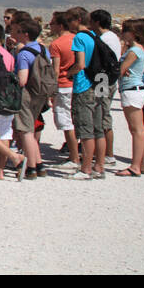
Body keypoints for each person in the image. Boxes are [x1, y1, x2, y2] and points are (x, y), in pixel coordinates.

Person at [66, 6, 108, 179]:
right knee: (98, 129)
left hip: (83, 86)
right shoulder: (95, 36)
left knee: (85, 129)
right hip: (98, 85)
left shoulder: (80, 38)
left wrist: (69, 72)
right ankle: (99, 166)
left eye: (70, 20)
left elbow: (81, 64)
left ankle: (86, 168)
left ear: (78, 19)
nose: (68, 24)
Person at [11, 15, 51, 180]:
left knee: (26, 131)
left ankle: (31, 167)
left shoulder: (24, 53)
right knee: (32, 129)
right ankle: (39, 163)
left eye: (19, 32)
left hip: (27, 94)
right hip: (41, 93)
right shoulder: (44, 49)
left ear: (26, 34)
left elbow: (22, 79)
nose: (16, 34)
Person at [0, 22, 26, 179]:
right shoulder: (9, 55)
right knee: (4, 133)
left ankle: (13, 156)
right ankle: (0, 169)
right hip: (8, 98)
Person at [116, 18, 144, 177]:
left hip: (131, 89)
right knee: (139, 129)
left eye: (126, 31)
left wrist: (121, 67)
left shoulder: (134, 51)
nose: (123, 33)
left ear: (134, 33)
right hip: (136, 89)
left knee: (136, 130)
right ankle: (142, 164)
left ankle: (135, 166)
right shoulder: (138, 49)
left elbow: (120, 70)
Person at [48, 10, 80, 169]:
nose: (49, 25)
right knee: (74, 120)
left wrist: (51, 90)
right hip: (78, 85)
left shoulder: (56, 44)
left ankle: (74, 157)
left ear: (60, 25)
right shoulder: (77, 39)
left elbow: (55, 69)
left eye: (52, 23)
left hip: (63, 84)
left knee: (66, 122)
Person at [91, 9, 122, 167]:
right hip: (108, 79)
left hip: (103, 80)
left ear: (97, 22)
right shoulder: (113, 37)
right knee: (103, 114)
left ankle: (107, 154)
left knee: (102, 115)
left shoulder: (104, 39)